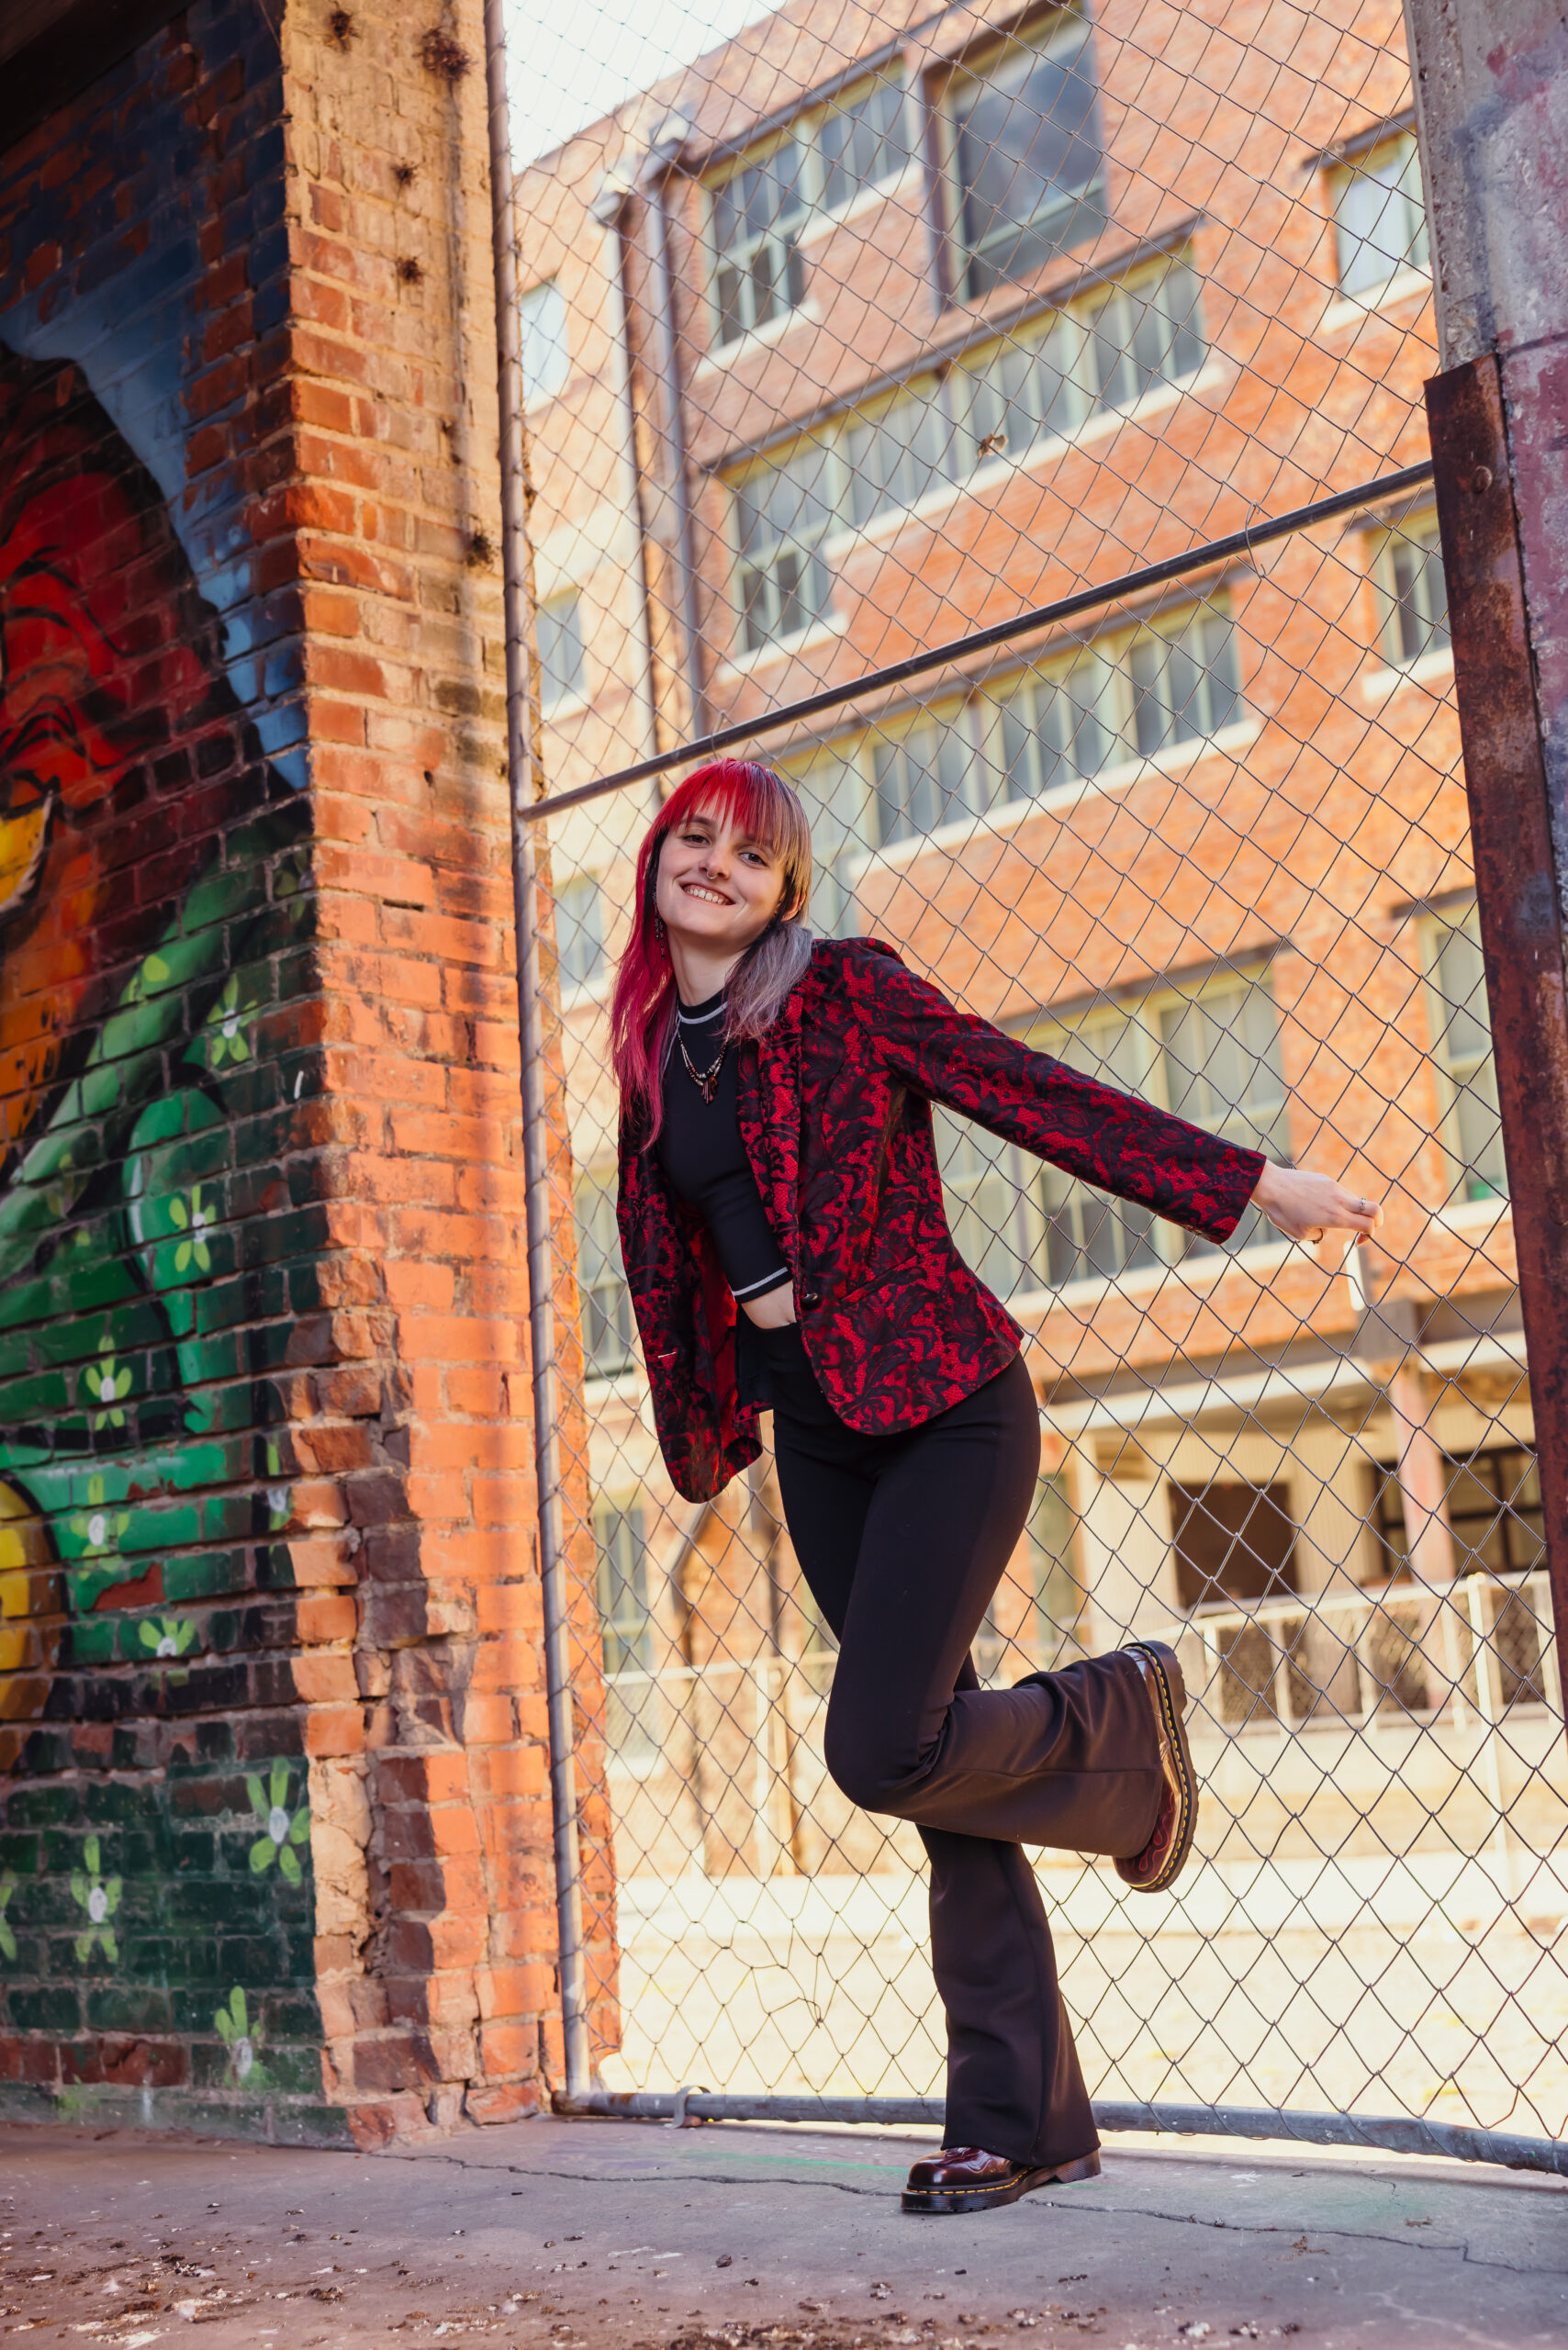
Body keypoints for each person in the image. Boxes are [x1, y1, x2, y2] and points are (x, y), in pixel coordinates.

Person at [610, 757, 1381, 2214]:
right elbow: (669, 1262)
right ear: (658, 860)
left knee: (880, 1748)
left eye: (749, 852)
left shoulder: (842, 989)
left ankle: (1116, 1719)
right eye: (691, 838)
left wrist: (1249, 1183)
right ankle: (1025, 2123)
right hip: (817, 1428)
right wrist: (707, 1423)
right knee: (944, 1776)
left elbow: (1027, 1091)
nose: (712, 864)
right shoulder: (652, 1048)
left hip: (951, 1403)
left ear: (787, 886)